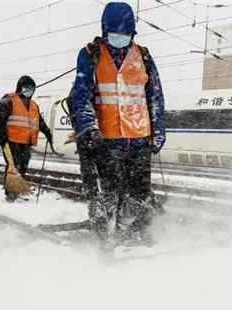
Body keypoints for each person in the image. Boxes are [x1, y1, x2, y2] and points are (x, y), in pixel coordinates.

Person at [71, 2, 166, 246]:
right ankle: (107, 240)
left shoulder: (143, 56)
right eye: (115, 33)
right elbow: (81, 96)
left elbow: (154, 96)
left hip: (139, 139)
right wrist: (89, 129)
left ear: (133, 33)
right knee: (109, 195)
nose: (120, 38)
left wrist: (158, 131)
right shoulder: (91, 55)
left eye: (125, 34)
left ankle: (123, 230)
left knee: (138, 194)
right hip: (107, 140)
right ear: (105, 32)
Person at [0, 75, 53, 201]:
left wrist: (47, 132)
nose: (29, 91)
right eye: (26, 88)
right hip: (11, 141)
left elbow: (39, 121)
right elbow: (1, 120)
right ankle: (10, 194)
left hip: (26, 142)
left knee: (23, 167)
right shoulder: (8, 100)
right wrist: (3, 137)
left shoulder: (34, 105)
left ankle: (16, 191)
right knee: (13, 166)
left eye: (31, 89)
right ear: (20, 88)